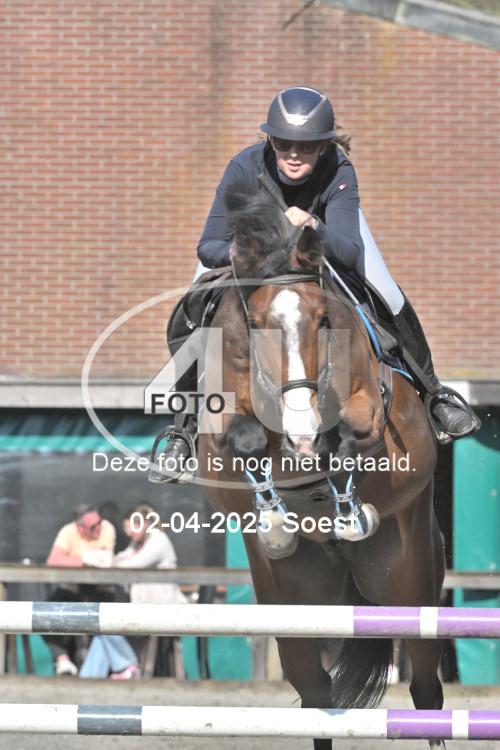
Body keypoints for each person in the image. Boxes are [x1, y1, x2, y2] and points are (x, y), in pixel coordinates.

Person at [159, 85, 480, 478]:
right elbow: (208, 246)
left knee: (388, 293)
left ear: (324, 146)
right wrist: (241, 251)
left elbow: (348, 252)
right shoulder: (243, 167)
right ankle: (184, 428)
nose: (294, 155)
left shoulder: (339, 169)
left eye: (307, 147)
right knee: (193, 310)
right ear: (270, 141)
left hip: (322, 243)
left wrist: (314, 224)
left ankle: (434, 394)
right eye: (283, 144)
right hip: (255, 256)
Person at [114, 504, 187, 677]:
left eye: (132, 527)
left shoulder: (158, 540)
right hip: (145, 606)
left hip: (164, 608)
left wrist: (108, 563)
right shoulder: (139, 542)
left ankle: (133, 669)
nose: (129, 532)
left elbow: (134, 564)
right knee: (106, 631)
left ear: (145, 524)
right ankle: (129, 668)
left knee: (111, 628)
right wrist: (110, 561)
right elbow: (122, 558)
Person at [45, 504, 118, 676]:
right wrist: (84, 559)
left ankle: (99, 671)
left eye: (99, 523)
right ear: (80, 527)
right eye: (93, 527)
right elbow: (53, 560)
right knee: (45, 615)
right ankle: (63, 660)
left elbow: (105, 559)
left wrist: (73, 559)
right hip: (72, 589)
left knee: (109, 623)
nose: (98, 528)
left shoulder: (107, 528)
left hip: (101, 590)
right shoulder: (68, 532)